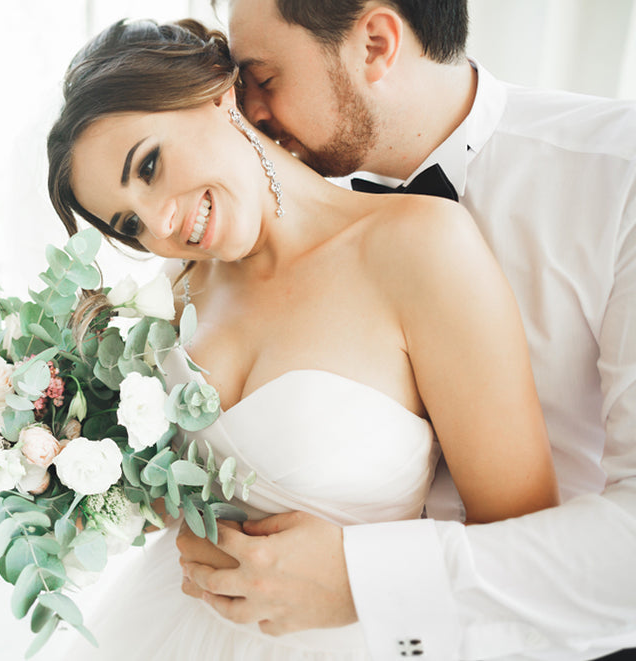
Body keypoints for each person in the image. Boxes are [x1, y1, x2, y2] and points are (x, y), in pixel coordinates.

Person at [44, 17, 558, 660]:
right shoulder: (171, 299)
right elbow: (153, 489)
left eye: (148, 166)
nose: (161, 224)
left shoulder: (420, 247)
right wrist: (30, 454)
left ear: (215, 95)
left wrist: (363, 575)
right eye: (128, 223)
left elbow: (529, 545)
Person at [177, 1, 636, 660]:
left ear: (374, 44)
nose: (247, 112)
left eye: (263, 78)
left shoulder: (620, 176)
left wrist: (370, 581)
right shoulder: (255, 233)